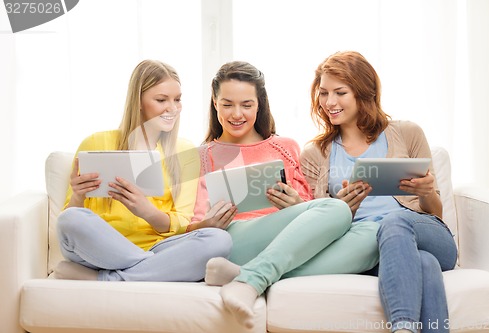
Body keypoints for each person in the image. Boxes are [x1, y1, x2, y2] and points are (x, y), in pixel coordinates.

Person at [188, 60, 380, 329]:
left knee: (372, 236)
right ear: (214, 102)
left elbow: (313, 215)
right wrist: (208, 223)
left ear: (260, 104)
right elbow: (190, 226)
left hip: (288, 240)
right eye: (227, 104)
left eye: (247, 104)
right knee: (337, 209)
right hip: (237, 237)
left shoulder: (285, 147)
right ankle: (252, 274)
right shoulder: (201, 155)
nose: (236, 114)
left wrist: (296, 204)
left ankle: (247, 275)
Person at [300, 51, 457, 333]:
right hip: (370, 250)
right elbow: (318, 227)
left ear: (364, 92)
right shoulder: (315, 153)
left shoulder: (407, 133)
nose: (329, 102)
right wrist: (343, 208)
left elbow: (435, 212)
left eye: (340, 92)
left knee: (395, 222)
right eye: (323, 93)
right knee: (424, 264)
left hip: (426, 232)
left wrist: (427, 191)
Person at [54, 60, 232, 282]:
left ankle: (108, 278)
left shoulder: (185, 151)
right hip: (99, 248)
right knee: (70, 219)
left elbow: (183, 223)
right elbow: (69, 217)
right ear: (138, 100)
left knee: (218, 240)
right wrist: (79, 194)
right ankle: (150, 269)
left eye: (177, 99)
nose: (173, 108)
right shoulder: (95, 142)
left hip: (158, 247)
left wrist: (145, 210)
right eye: (161, 100)